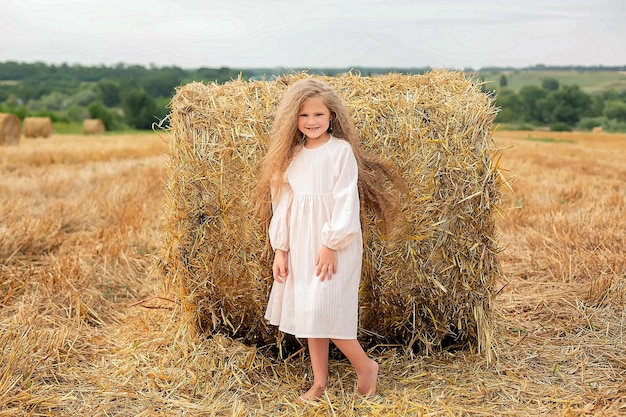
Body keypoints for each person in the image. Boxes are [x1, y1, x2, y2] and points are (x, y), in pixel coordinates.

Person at [255, 78, 403, 401]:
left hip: (335, 244)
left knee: (328, 309)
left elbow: (346, 200)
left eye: (318, 115)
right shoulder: (290, 156)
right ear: (294, 119)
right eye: (304, 116)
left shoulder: (340, 152)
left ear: (332, 116)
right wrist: (281, 249)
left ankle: (366, 367)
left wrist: (331, 244)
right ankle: (319, 381)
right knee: (311, 312)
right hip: (301, 243)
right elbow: (281, 203)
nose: (311, 122)